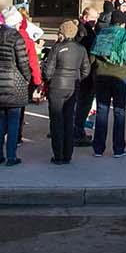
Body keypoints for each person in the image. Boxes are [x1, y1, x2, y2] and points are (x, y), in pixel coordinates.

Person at [0, 9, 40, 166]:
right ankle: (11, 156)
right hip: (14, 82)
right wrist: (27, 78)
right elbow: (23, 62)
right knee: (13, 122)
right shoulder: (17, 38)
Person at [89, 11, 126, 157]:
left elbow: (92, 56)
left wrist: (93, 74)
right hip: (120, 77)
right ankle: (118, 148)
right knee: (119, 112)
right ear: (122, 23)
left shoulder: (101, 34)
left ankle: (98, 148)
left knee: (102, 110)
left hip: (102, 76)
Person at [42, 25, 91, 164]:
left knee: (57, 121)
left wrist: (49, 79)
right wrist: (77, 79)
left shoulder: (57, 48)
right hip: (72, 87)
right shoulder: (81, 49)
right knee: (69, 120)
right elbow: (86, 70)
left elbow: (48, 71)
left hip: (57, 87)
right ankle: (67, 154)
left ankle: (58, 155)